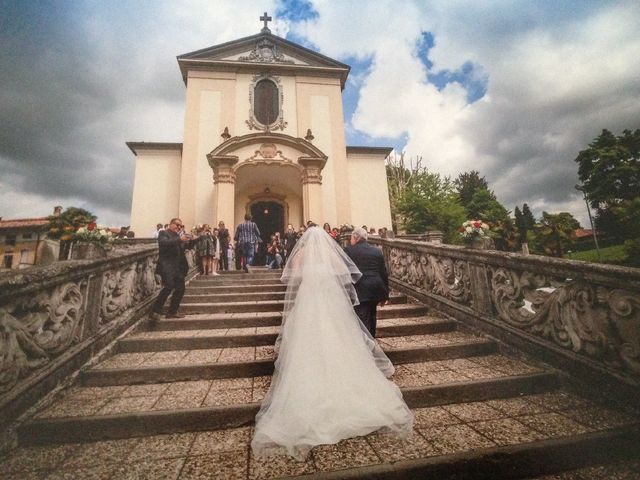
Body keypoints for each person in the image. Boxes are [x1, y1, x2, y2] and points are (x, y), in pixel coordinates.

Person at [251, 226, 413, 460]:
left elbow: (292, 277)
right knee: (340, 337)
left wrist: (310, 277)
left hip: (309, 303)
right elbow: (344, 274)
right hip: (329, 302)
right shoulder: (331, 255)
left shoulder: (301, 255)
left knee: (306, 340)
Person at [345, 227, 389, 337]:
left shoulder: (349, 250)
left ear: (356, 237)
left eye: (351, 237)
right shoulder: (376, 250)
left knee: (362, 318)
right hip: (376, 288)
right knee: (372, 315)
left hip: (360, 288)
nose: (351, 240)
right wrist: (386, 294)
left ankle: (367, 345)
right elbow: (383, 273)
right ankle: (372, 339)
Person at [150, 218, 193, 320]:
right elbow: (164, 243)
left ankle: (172, 311)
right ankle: (155, 310)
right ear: (170, 224)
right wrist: (180, 239)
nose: (178, 227)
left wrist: (194, 240)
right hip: (167, 266)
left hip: (178, 267)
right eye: (177, 225)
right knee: (168, 286)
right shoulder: (163, 233)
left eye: (180, 226)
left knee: (180, 289)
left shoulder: (178, 236)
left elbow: (185, 248)